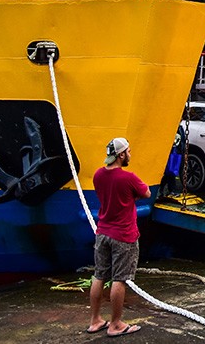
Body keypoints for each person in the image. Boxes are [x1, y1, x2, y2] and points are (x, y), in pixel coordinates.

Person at [88, 138, 150, 337]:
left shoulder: (98, 175)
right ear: (121, 155)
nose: (130, 154)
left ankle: (95, 320)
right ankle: (115, 324)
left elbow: (107, 195)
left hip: (103, 233)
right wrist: (131, 197)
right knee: (120, 279)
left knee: (99, 275)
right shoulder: (128, 178)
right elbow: (147, 193)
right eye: (128, 151)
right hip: (123, 235)